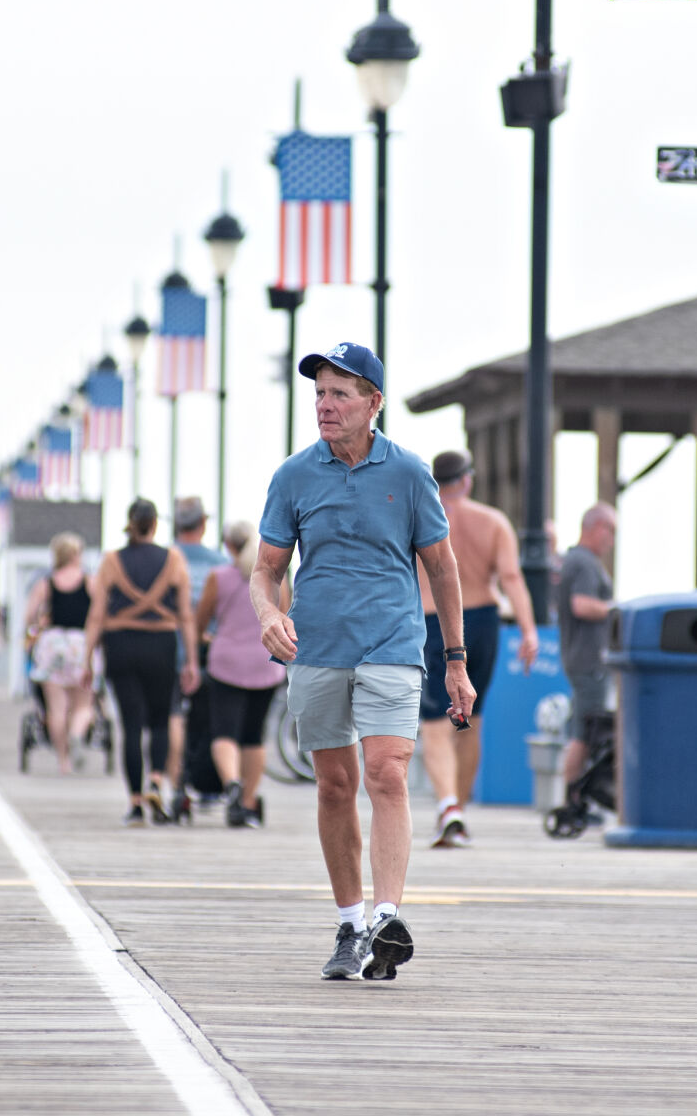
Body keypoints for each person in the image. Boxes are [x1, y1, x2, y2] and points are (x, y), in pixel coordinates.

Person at [253, 342, 474, 982]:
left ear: (373, 403)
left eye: (339, 394)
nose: (325, 405)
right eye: (319, 393)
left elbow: (442, 568)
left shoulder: (408, 473)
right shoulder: (293, 476)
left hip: (392, 645)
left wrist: (455, 663)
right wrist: (269, 616)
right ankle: (350, 923)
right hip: (317, 647)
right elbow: (265, 571)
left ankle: (385, 916)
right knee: (335, 785)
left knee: (386, 772)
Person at [415, 449, 540, 849]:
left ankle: (449, 806)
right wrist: (529, 631)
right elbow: (512, 578)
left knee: (435, 725)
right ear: (467, 480)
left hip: (432, 619)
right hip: (483, 620)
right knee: (471, 719)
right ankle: (459, 813)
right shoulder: (493, 522)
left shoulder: (421, 518)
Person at [82, 498, 199, 827]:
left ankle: (135, 804)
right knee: (160, 721)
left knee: (131, 725)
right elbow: (186, 616)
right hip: (160, 645)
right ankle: (157, 780)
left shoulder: (111, 561)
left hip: (120, 645)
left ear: (129, 523)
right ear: (155, 524)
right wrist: (190, 660)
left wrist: (86, 659)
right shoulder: (173, 559)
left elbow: (96, 615)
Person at [196, 522, 287, 827]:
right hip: (265, 663)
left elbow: (202, 620)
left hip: (226, 663)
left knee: (225, 732)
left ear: (229, 546)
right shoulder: (278, 581)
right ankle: (248, 802)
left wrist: (205, 639)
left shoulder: (218, 578)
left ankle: (232, 783)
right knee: (254, 735)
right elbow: (285, 618)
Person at [168, 496, 228, 815]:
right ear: (203, 524)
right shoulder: (219, 563)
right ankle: (206, 785)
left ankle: (175, 783)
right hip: (210, 651)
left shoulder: (166, 558)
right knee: (207, 721)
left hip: (169, 648)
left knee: (172, 717)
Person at [23, 531, 96, 774]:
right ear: (76, 555)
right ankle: (77, 734)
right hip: (80, 644)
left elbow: (28, 618)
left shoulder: (46, 584)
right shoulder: (90, 582)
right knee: (84, 705)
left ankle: (63, 761)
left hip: (52, 643)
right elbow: (100, 615)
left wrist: (36, 629)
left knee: (56, 708)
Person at [557, 503, 618, 790]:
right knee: (584, 731)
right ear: (595, 527)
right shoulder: (584, 562)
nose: (612, 540)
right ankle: (572, 799)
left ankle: (576, 796)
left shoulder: (576, 560)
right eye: (611, 530)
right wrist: (617, 610)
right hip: (588, 660)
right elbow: (581, 605)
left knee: (582, 727)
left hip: (580, 658)